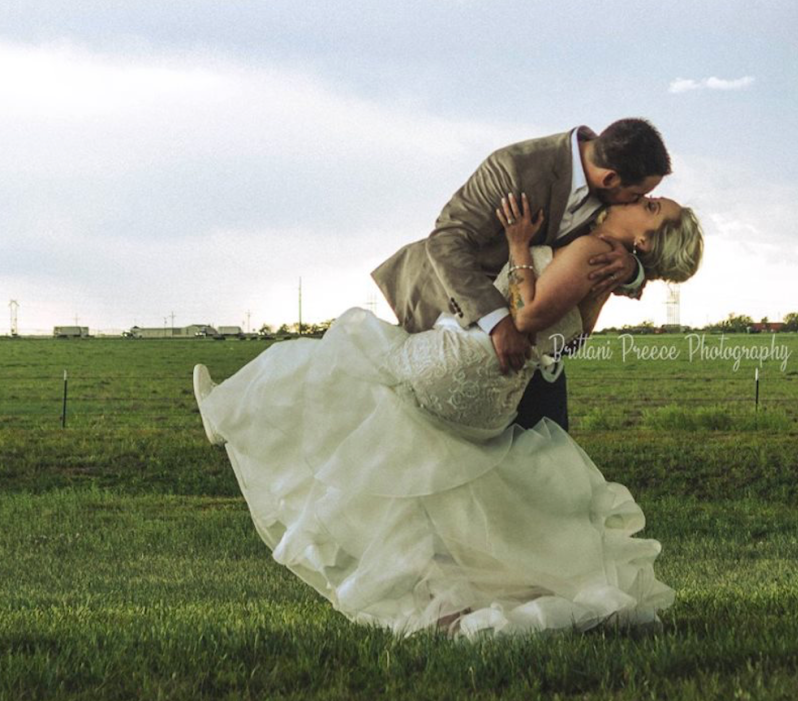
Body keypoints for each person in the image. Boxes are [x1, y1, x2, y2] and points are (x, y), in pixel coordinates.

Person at [194, 195, 703, 639]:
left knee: (334, 356)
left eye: (654, 209)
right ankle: (450, 607)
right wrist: (633, 276)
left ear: (644, 238)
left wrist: (520, 243)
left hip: (465, 363)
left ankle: (230, 412)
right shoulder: (608, 273)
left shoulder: (593, 253)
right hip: (492, 397)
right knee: (434, 488)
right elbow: (570, 338)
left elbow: (525, 315)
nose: (644, 199)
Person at [371, 119, 672, 433]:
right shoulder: (514, 167)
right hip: (454, 318)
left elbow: (641, 246)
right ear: (611, 179)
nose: (638, 202)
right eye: (638, 194)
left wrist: (633, 271)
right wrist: (498, 323)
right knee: (424, 441)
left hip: (538, 340)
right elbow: (447, 239)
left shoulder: (611, 195)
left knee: (546, 449)